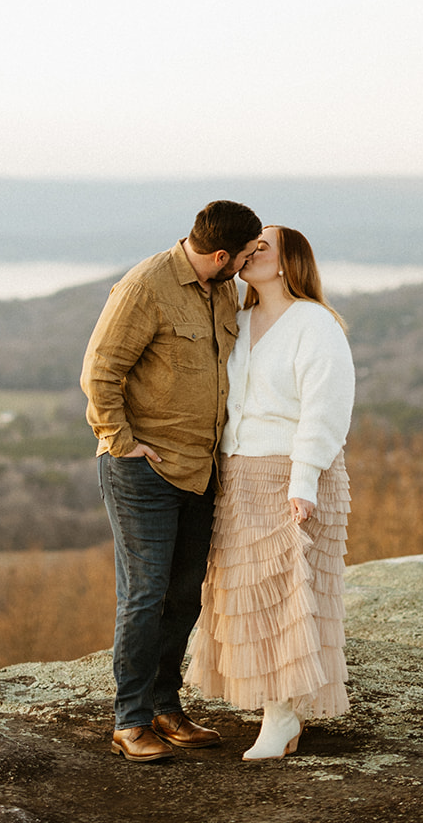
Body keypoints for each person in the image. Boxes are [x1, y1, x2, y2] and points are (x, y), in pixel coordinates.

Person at [80, 199, 264, 762]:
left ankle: (165, 706)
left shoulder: (224, 288)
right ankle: (129, 720)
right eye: (247, 253)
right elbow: (99, 371)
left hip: (202, 469)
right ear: (221, 254)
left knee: (184, 596)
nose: (251, 261)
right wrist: (121, 444)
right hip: (144, 471)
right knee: (144, 596)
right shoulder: (145, 287)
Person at [185, 223, 355, 761]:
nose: (250, 253)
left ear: (287, 263)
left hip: (294, 471)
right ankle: (275, 709)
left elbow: (325, 411)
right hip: (237, 474)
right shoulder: (235, 319)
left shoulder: (315, 324)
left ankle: (281, 719)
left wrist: (303, 481)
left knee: (288, 596)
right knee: (243, 596)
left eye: (263, 247)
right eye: (248, 246)